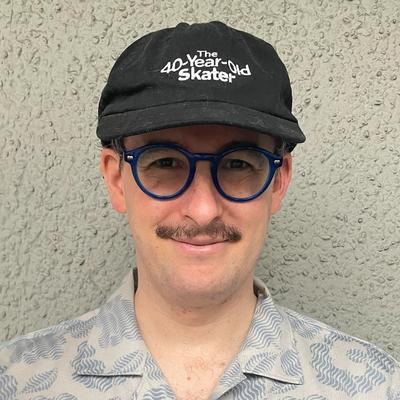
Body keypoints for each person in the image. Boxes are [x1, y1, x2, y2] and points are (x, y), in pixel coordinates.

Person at [0, 21, 398, 400]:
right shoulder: (18, 382)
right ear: (117, 180)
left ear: (278, 182)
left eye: (238, 164)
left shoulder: (373, 386)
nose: (204, 211)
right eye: (166, 163)